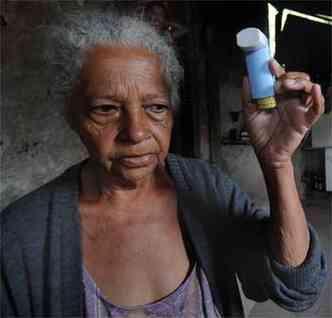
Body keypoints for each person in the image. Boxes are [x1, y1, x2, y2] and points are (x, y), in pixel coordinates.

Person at [1, 11, 327, 318]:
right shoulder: (19, 237)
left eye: (156, 107)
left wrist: (278, 162)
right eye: (105, 109)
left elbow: (298, 288)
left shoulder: (205, 187)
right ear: (72, 116)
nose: (136, 132)